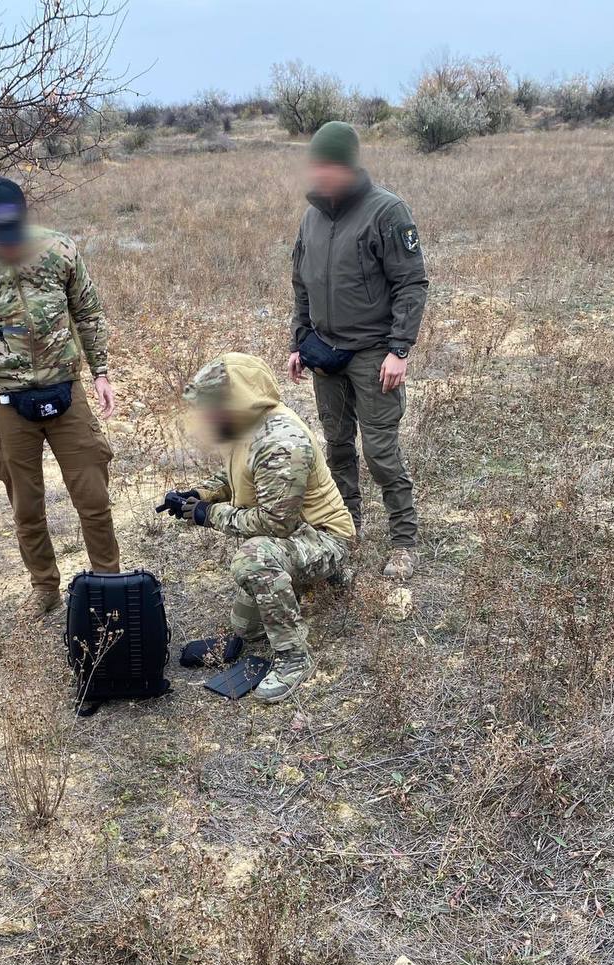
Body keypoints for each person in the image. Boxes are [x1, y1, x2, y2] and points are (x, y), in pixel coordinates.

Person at [0, 177, 120, 618]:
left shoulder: (60, 251)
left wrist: (102, 372)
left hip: (66, 391)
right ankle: (44, 588)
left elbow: (87, 311)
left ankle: (110, 581)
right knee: (27, 506)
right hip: (6, 401)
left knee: (92, 496)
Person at [289, 121, 428, 581]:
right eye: (316, 165)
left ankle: (404, 542)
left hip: (374, 354)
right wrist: (298, 341)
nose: (320, 174)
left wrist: (399, 350)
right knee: (337, 448)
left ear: (349, 167)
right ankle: (344, 534)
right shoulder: (310, 218)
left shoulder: (386, 212)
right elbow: (301, 284)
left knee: (381, 452)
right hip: (326, 355)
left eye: (329, 166)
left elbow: (411, 283)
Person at [174, 353, 355, 704]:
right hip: (294, 533)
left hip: (324, 537)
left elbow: (275, 524)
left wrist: (208, 514)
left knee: (253, 559)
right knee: (247, 631)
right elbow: (234, 476)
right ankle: (251, 630)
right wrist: (197, 496)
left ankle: (293, 658)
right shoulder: (246, 426)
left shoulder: (279, 441)